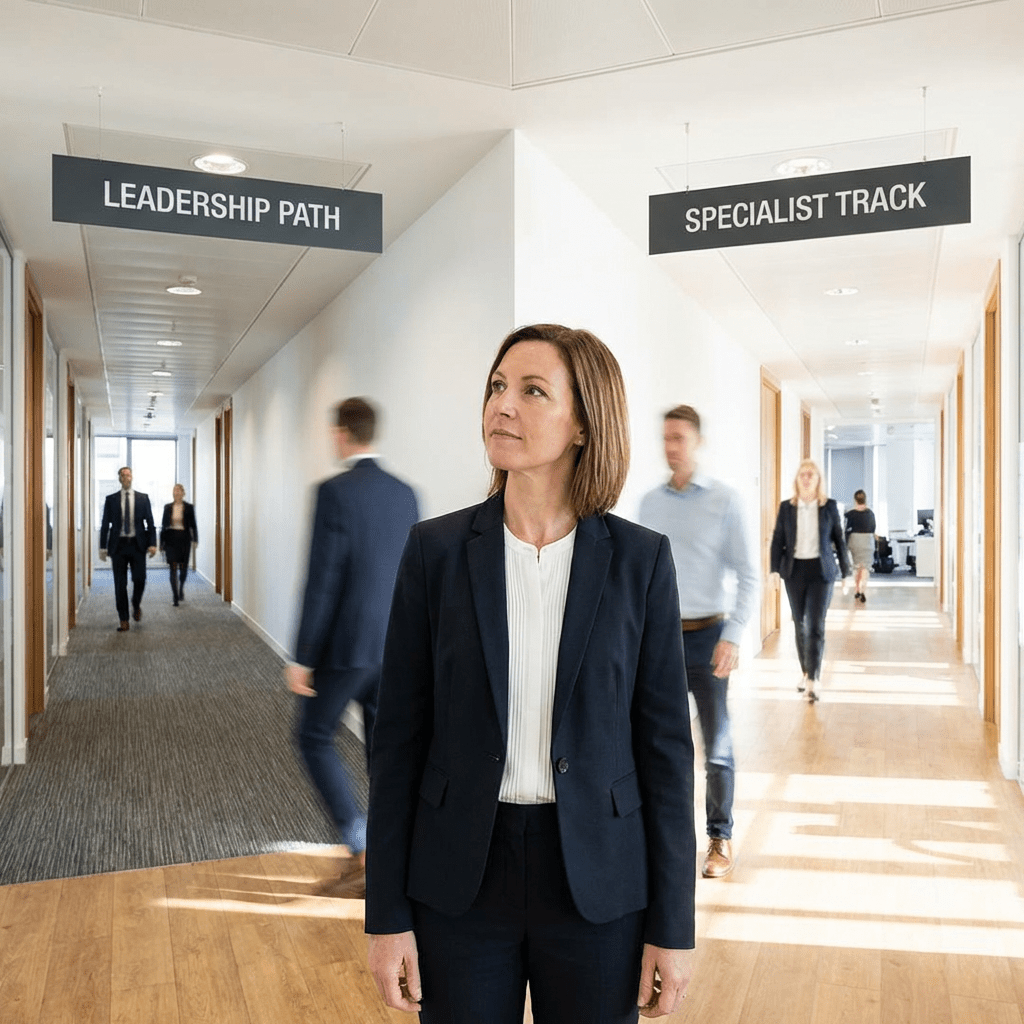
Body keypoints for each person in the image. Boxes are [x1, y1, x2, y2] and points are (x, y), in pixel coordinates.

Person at [365, 324, 696, 1024]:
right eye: (496, 386)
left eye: (532, 391)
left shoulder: (641, 564)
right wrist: (385, 914)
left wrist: (673, 926)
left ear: (583, 424)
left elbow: (666, 754)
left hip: (599, 884)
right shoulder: (435, 552)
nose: (502, 405)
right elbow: (396, 743)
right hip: (458, 878)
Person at [284, 397, 419, 899]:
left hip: (346, 648)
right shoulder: (406, 494)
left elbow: (323, 580)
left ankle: (362, 848)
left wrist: (302, 656)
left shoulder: (333, 493)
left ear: (343, 434)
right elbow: (412, 576)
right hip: (395, 647)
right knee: (384, 750)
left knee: (312, 737)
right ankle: (390, 855)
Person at [639, 405, 757, 881]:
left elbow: (748, 574)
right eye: (666, 438)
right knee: (663, 748)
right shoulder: (650, 504)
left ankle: (720, 837)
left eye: (679, 438)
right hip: (661, 641)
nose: (671, 447)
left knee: (717, 747)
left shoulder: (725, 500)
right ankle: (667, 839)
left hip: (710, 638)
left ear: (698, 442)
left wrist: (732, 636)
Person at [769, 460, 850, 702]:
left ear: (817, 480)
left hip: (821, 571)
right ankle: (805, 671)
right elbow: (777, 540)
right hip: (794, 571)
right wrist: (774, 570)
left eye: (811, 475)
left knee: (815, 625)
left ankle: (813, 680)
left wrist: (846, 572)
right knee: (800, 624)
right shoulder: (786, 508)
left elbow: (839, 540)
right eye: (802, 474)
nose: (806, 478)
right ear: (797, 479)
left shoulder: (829, 507)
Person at [99, 466, 157, 632]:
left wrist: (152, 543)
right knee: (120, 584)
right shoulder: (111, 499)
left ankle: (136, 603)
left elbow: (150, 523)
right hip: (118, 547)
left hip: (137, 545)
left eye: (128, 474)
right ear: (119, 478)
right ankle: (123, 619)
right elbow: (105, 525)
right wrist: (103, 547)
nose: (126, 477)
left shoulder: (142, 498)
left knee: (140, 579)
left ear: (132, 477)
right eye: (123, 475)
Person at [160, 483, 198, 606]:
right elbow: (163, 526)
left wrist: (195, 539)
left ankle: (181, 587)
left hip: (184, 539)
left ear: (183, 493)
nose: (176, 493)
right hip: (171, 539)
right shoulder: (167, 507)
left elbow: (193, 525)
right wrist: (161, 543)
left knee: (183, 568)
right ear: (173, 493)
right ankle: (175, 596)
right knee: (172, 568)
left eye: (179, 491)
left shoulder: (189, 507)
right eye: (175, 491)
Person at [844, 489, 876, 604]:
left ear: (855, 500)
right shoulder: (870, 513)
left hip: (855, 540)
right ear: (865, 499)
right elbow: (873, 528)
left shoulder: (849, 514)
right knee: (865, 567)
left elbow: (846, 530)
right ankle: (862, 591)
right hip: (867, 540)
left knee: (857, 566)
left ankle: (857, 588)